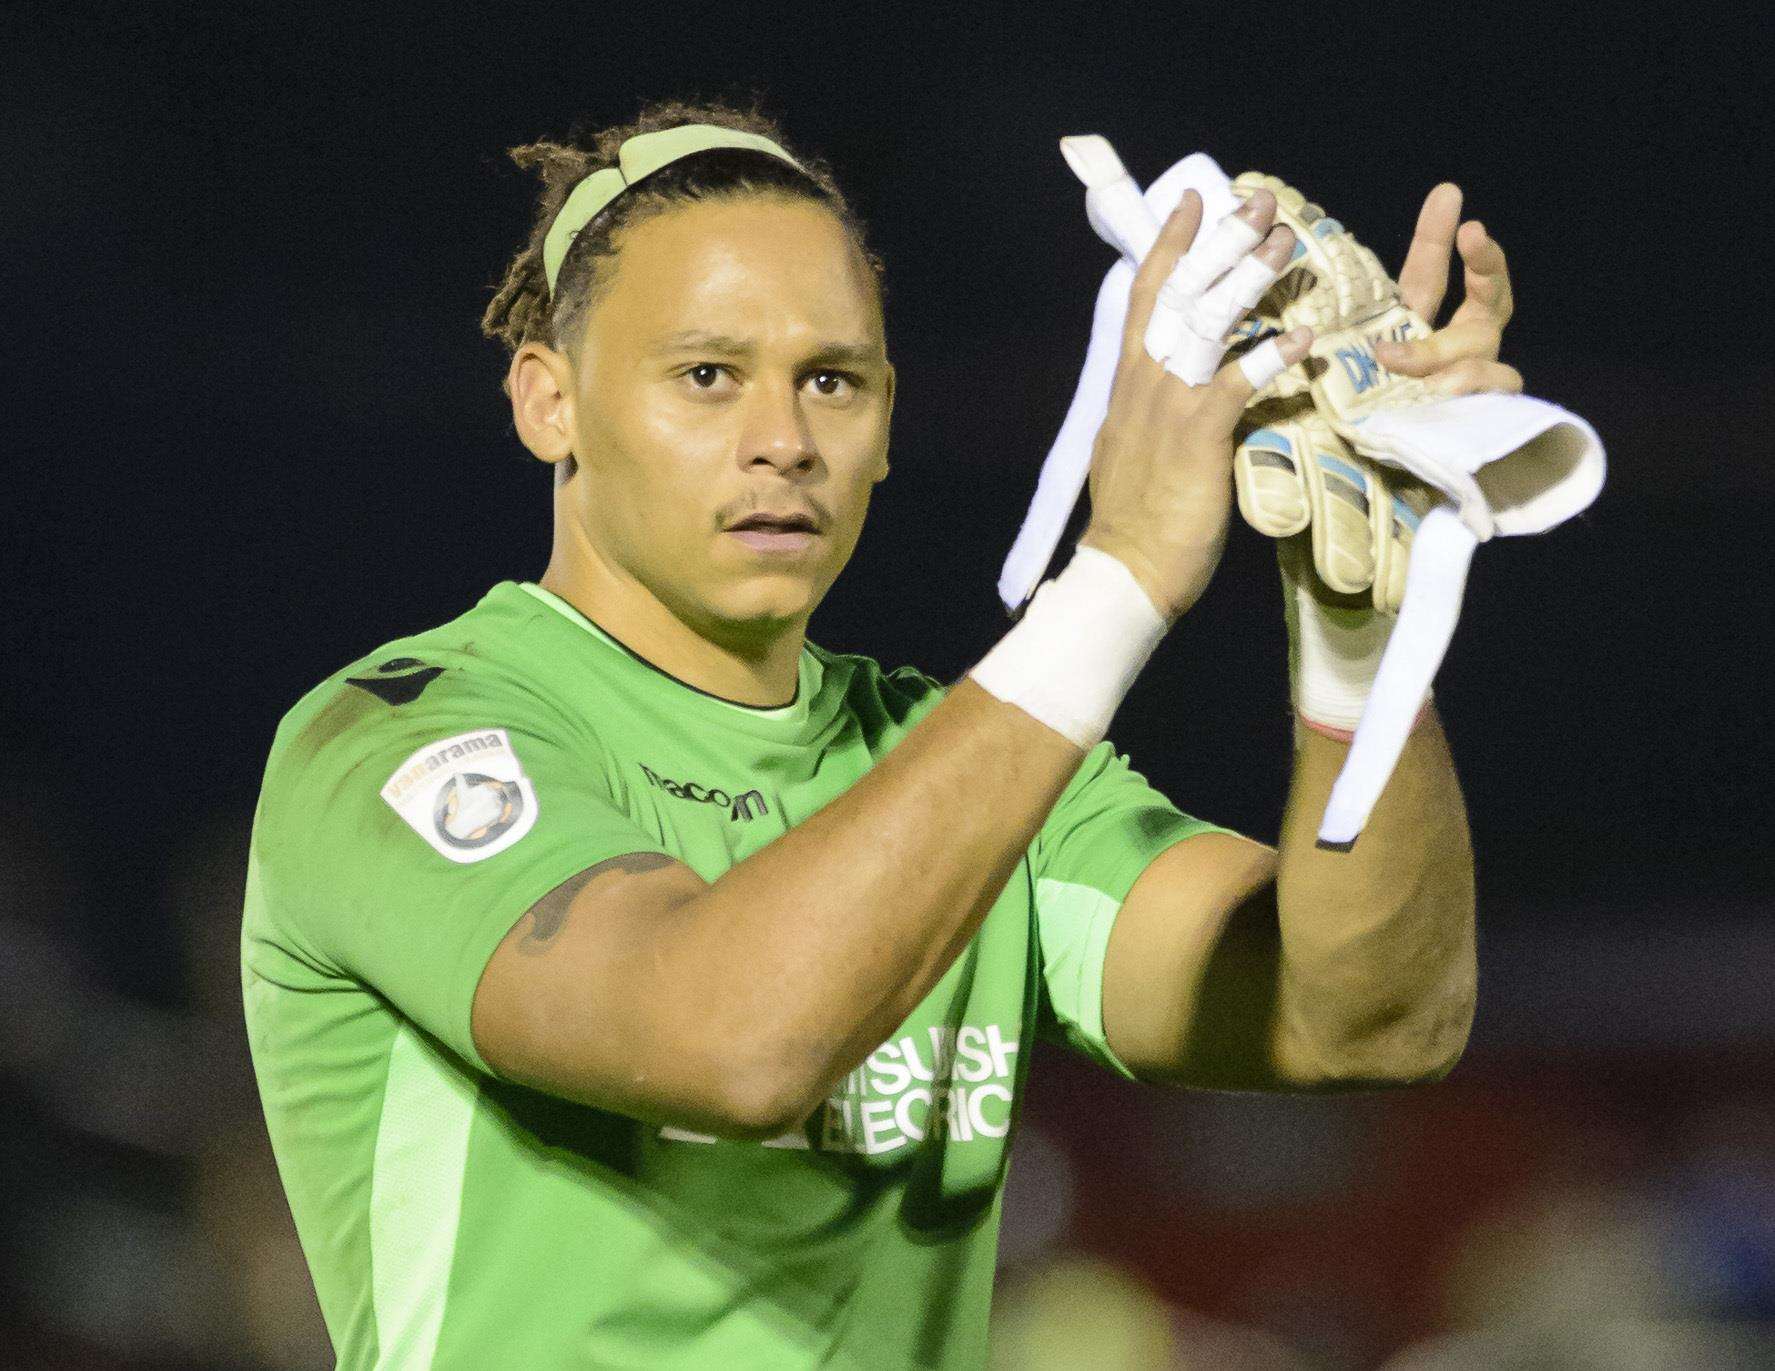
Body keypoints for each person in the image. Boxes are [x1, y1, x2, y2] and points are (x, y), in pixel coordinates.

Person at [242, 97, 1509, 1369]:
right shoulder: (398, 741)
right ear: (547, 403)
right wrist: (1117, 577)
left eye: (831, 382)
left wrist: (1361, 617)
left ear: (888, 420)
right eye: (705, 376)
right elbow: (731, 1041)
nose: (783, 442)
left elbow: (1371, 1017)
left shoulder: (963, 766)